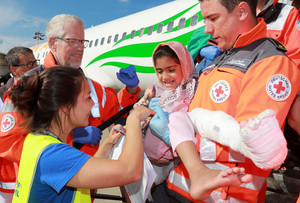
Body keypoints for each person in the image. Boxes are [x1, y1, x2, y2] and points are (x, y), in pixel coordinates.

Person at [147, 0, 300, 202]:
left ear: (242, 11)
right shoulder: (221, 57)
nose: (207, 29)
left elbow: (251, 139)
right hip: (176, 185)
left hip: (218, 195)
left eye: (213, 18)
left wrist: (187, 126)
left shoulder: (269, 61)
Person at [0, 14, 140, 202]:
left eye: (83, 42)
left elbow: (115, 110)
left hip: (86, 186)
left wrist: (131, 90)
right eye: (73, 41)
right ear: (52, 43)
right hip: (45, 190)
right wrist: (73, 136)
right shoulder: (28, 88)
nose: (80, 48)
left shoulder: (90, 85)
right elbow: (7, 143)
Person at [7, 66, 154, 202]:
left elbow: (82, 169)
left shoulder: (38, 140)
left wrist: (108, 142)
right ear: (66, 107)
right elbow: (129, 171)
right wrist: (134, 118)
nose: (92, 104)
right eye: (88, 98)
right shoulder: (54, 155)